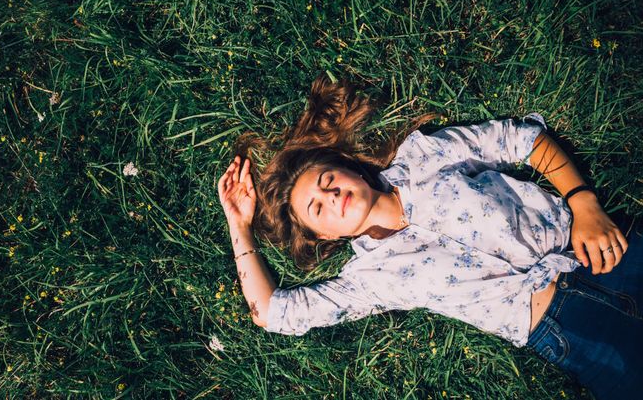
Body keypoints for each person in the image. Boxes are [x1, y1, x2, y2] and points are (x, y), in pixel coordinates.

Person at [216, 74, 641, 399]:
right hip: (568, 328)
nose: (331, 196)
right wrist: (239, 225)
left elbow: (520, 140)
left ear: (348, 169)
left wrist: (584, 203)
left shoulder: (422, 157)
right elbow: (272, 312)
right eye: (318, 209)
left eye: (327, 180)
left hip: (595, 247)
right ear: (324, 234)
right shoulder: (369, 279)